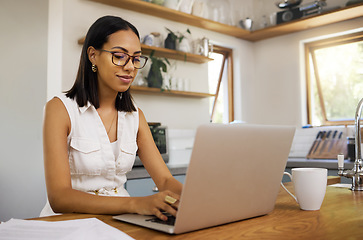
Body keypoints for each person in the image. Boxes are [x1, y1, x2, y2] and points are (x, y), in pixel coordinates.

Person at [40, 16, 183, 221]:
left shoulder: (135, 116)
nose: (130, 67)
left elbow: (166, 179)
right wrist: (136, 203)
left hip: (121, 221)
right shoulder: (60, 109)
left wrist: (193, 199)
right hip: (68, 224)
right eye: (119, 56)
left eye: (135, 58)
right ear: (93, 55)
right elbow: (59, 197)